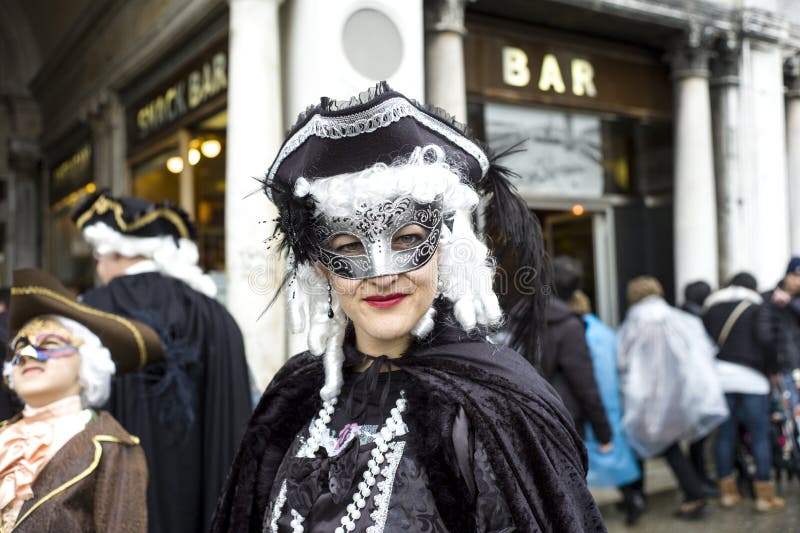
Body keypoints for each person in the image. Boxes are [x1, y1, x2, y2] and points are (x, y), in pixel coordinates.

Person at [211, 82, 605, 532]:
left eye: (407, 240)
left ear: (444, 250)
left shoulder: (494, 406)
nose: (381, 275)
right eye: (348, 247)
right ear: (323, 269)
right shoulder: (294, 395)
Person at [71, 191, 253, 533]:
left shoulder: (88, 313)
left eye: (98, 256)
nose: (98, 267)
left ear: (113, 252)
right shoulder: (215, 315)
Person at [1, 268, 164, 531]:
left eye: (49, 344)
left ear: (87, 362)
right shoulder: (4, 437)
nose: (29, 355)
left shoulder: (111, 448)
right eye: (20, 348)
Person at [617, 276, 728, 519]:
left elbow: (622, 360)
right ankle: (689, 494)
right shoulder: (681, 319)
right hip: (677, 397)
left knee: (641, 444)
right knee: (669, 445)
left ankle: (641, 496)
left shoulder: (633, 323)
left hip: (644, 397)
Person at [703, 272, 784, 512]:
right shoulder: (757, 308)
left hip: (721, 379)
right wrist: (773, 370)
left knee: (725, 435)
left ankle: (727, 493)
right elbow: (766, 340)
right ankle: (764, 496)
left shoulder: (712, 309)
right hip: (753, 380)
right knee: (759, 435)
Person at [569, 290, 643, 526]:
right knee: (617, 455)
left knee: (585, 460)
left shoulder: (575, 334)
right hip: (611, 403)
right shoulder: (605, 332)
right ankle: (634, 499)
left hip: (588, 403)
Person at [542, 257, 612, 449]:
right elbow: (584, 383)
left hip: (528, 415)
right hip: (562, 420)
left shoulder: (520, 316)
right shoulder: (568, 326)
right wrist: (603, 433)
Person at [758, 257, 800, 419]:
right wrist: (772, 367)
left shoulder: (793, 302)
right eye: (795, 276)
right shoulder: (769, 298)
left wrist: (789, 303)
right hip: (777, 370)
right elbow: (764, 334)